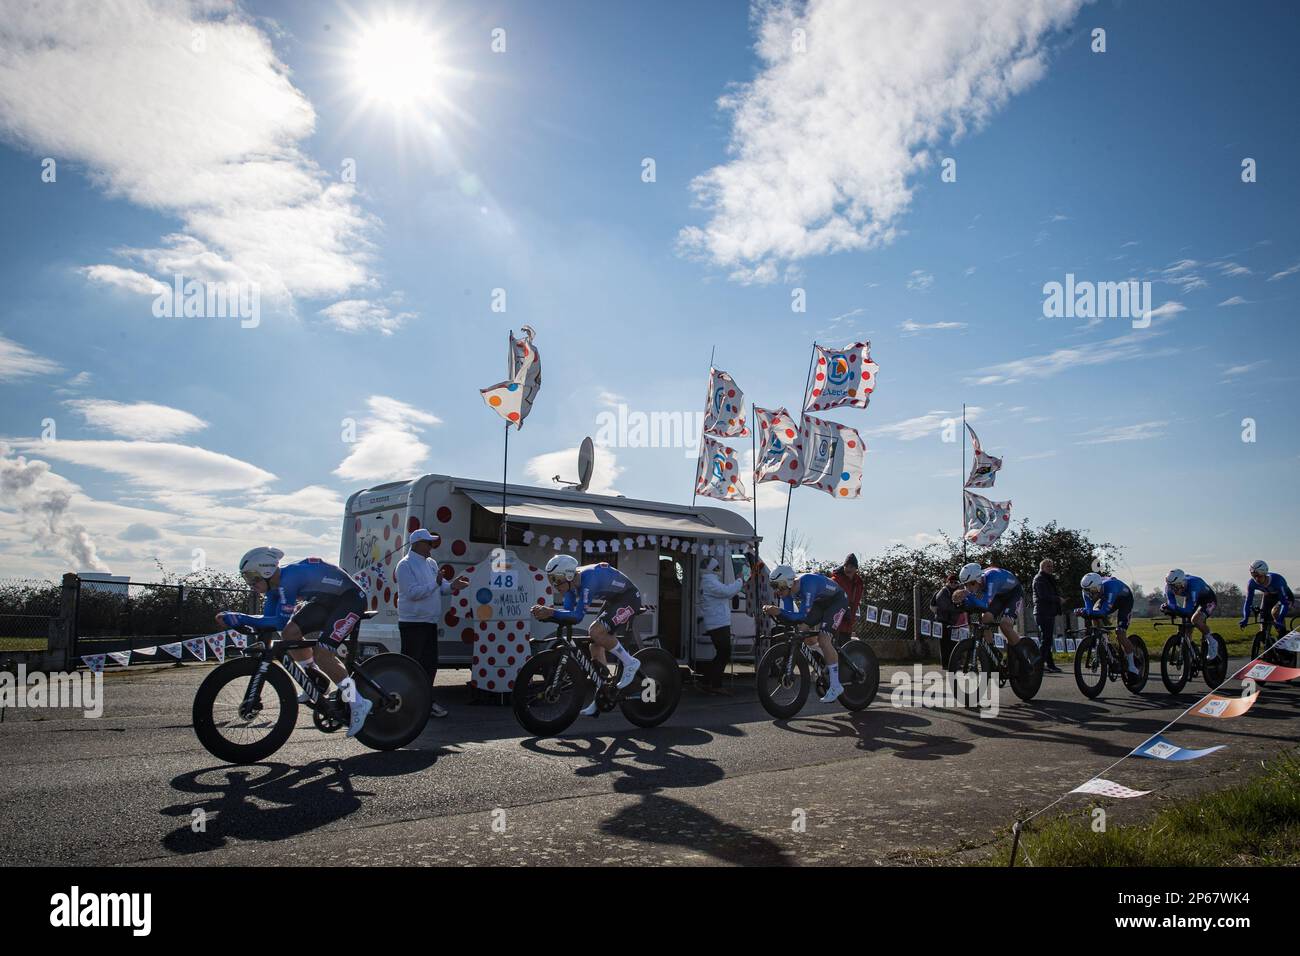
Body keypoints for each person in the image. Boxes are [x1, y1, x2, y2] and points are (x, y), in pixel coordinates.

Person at [217, 548, 372, 737]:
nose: (250, 584)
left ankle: (358, 702)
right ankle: (315, 680)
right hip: (326, 602)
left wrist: (241, 618)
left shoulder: (288, 581)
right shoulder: (274, 589)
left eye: (251, 578)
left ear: (266, 572)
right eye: (246, 578)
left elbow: (278, 621)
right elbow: (270, 621)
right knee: (290, 633)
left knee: (323, 654)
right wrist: (239, 619)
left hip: (351, 599)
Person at [531, 555, 643, 716]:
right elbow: (568, 613)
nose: (554, 585)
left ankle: (630, 662)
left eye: (556, 579)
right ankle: (602, 695)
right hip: (615, 599)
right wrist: (547, 615)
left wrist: (550, 612)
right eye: (551, 579)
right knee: (594, 645)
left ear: (569, 575)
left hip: (630, 597)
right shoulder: (569, 586)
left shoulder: (588, 580)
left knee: (596, 631)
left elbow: (577, 617)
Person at [395, 529, 469, 718]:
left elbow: (442, 586)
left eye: (432, 543)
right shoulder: (404, 565)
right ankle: (407, 702)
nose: (432, 547)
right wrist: (436, 584)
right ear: (418, 543)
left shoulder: (431, 563)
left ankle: (426, 701)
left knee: (429, 664)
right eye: (429, 543)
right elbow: (413, 593)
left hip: (429, 622)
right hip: (412, 623)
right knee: (412, 665)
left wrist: (452, 586)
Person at [762, 564, 849, 703]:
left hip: (837, 601)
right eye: (774, 586)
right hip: (821, 603)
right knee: (803, 633)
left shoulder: (808, 583)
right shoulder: (787, 591)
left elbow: (801, 616)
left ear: (788, 583)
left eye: (778, 586)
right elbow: (791, 617)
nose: (777, 591)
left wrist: (778, 611)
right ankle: (827, 659)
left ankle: (835, 685)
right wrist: (778, 612)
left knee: (823, 639)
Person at [952, 563, 1036, 668]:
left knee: (1005, 624)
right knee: (985, 619)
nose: (969, 588)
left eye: (971, 584)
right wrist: (960, 600)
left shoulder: (992, 578)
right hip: (998, 595)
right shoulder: (978, 584)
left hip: (1013, 593)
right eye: (965, 585)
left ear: (978, 579)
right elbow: (976, 603)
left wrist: (967, 596)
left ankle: (1024, 660)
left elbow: (985, 603)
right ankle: (992, 653)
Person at [698, 555, 744, 694]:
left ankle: (706, 681)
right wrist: (740, 580)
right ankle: (715, 685)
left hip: (716, 622)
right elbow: (727, 591)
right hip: (718, 623)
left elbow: (725, 592)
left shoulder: (708, 581)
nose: (719, 569)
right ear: (712, 568)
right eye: (716, 567)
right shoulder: (709, 581)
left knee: (721, 653)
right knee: (724, 653)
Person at [1079, 572, 1140, 675]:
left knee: (1120, 633)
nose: (1090, 595)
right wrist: (1083, 611)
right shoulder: (1087, 591)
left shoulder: (1111, 587)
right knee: (1094, 615)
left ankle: (1132, 666)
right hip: (1106, 597)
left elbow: (1104, 611)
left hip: (1124, 600)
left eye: (1093, 591)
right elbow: (1090, 611)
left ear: (1099, 587)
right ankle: (1105, 640)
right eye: (1087, 591)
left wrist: (1085, 612)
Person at [1161, 569, 1219, 660]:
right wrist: (1167, 608)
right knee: (1186, 629)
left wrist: (1173, 608)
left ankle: (1212, 642)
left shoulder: (1193, 585)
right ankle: (1190, 656)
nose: (1174, 590)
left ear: (1183, 583)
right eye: (1172, 587)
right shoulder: (1169, 587)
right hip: (1191, 598)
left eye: (1176, 587)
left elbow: (1188, 610)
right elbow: (1172, 605)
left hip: (1208, 599)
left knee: (1195, 620)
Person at [1239, 560, 1293, 640]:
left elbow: (1284, 603)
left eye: (1259, 576)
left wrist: (1280, 620)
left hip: (1284, 597)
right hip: (1268, 596)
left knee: (1275, 613)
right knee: (1263, 619)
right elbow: (1248, 602)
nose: (1257, 579)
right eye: (1254, 576)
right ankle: (1267, 643)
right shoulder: (1251, 583)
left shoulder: (1277, 580)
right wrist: (1245, 618)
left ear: (1264, 574)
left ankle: (1283, 636)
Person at [1032, 559, 1063, 672]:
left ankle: (1050, 664)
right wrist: (1058, 599)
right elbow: (1043, 596)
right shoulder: (1040, 579)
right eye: (1048, 566)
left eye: (1052, 566)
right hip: (1042, 612)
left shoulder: (1047, 579)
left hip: (1048, 612)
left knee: (1047, 639)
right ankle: (1038, 664)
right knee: (1046, 640)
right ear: (1042, 567)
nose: (1051, 568)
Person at [929, 572, 963, 669]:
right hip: (943, 622)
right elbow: (945, 607)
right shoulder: (943, 592)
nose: (953, 584)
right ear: (947, 582)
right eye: (951, 582)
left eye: (955, 582)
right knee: (945, 644)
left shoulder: (957, 591)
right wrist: (960, 609)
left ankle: (954, 663)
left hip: (952, 622)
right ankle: (946, 664)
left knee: (954, 643)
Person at [830, 553, 865, 642]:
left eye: (851, 567)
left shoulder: (859, 583)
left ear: (856, 568)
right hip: (834, 620)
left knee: (844, 647)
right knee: (833, 646)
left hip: (848, 622)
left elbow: (856, 602)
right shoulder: (836, 580)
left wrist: (851, 618)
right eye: (847, 566)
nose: (848, 569)